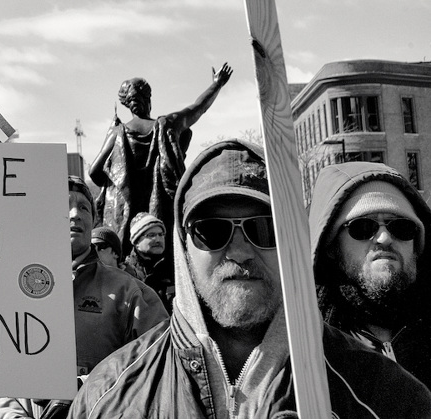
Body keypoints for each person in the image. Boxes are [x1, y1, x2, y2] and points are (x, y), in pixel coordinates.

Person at [70, 139, 431, 418]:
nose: (240, 251)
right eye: (212, 231)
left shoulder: (388, 396)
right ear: (183, 247)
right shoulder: (107, 395)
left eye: (264, 228)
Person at [0, 177, 167, 419]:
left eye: (84, 207)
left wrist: (86, 389)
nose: (75, 214)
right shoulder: (5, 290)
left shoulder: (131, 293)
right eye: (64, 205)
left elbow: (159, 365)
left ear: (93, 220)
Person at [310, 161, 431, 390]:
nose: (384, 238)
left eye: (401, 227)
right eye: (363, 227)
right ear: (332, 247)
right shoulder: (308, 344)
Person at [89, 64, 231, 256]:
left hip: (126, 223)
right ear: (148, 99)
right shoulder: (167, 124)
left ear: (127, 104)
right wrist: (217, 84)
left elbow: (94, 172)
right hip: (164, 218)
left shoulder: (116, 133)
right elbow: (198, 109)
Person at [122, 211, 174, 310]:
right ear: (136, 242)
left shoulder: (174, 269)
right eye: (151, 235)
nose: (158, 240)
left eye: (161, 234)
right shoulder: (125, 272)